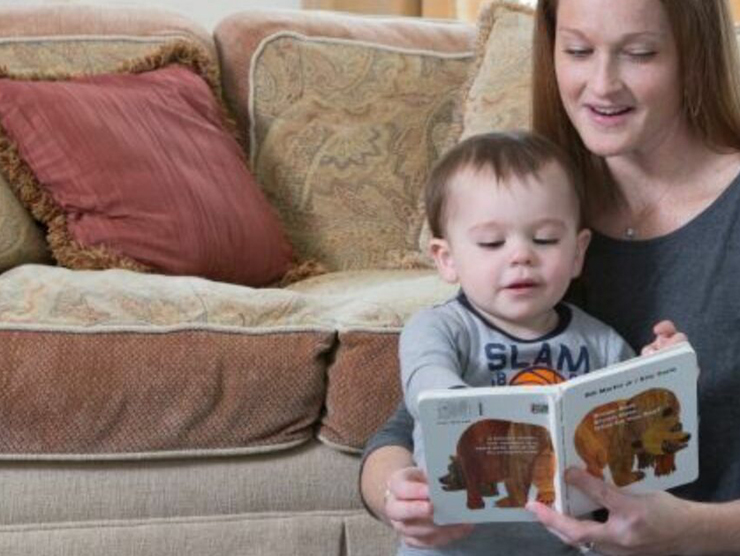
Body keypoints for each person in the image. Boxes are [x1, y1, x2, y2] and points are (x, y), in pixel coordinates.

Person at [360, 0, 740, 554]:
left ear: (694, 56)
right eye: (579, 50)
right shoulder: (539, 204)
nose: (602, 84)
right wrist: (397, 496)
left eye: (639, 53)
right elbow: (411, 426)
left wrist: (686, 531)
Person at [396, 130, 684, 556]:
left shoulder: (600, 341)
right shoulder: (439, 328)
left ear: (577, 253)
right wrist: (459, 402)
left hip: (568, 544)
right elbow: (426, 381)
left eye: (545, 239)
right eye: (492, 242)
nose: (521, 255)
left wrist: (659, 369)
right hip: (453, 547)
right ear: (447, 258)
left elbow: (632, 426)